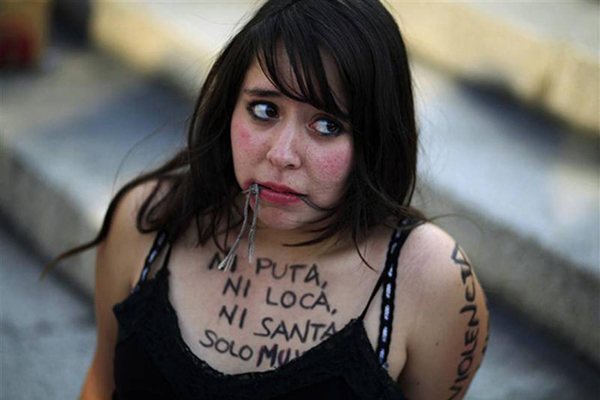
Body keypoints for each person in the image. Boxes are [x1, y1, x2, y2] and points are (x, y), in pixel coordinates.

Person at [47, 0, 489, 398]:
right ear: (229, 106)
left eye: (327, 125)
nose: (281, 155)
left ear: (376, 139)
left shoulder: (429, 279)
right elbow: (101, 383)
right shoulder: (149, 219)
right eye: (264, 110)